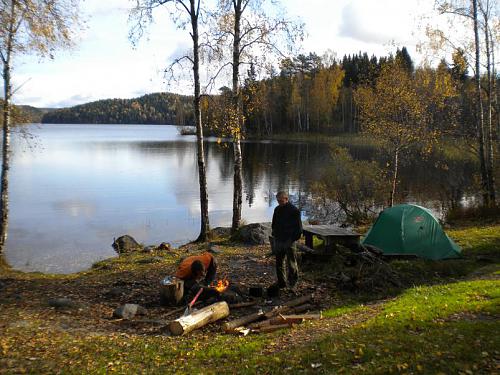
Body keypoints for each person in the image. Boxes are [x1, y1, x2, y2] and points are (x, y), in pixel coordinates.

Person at [271, 191, 302, 291]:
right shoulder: (277, 209)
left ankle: (293, 284)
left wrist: (291, 240)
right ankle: (282, 283)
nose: (279, 202)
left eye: (281, 201)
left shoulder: (294, 211)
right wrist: (275, 235)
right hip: (279, 239)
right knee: (279, 263)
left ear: (286, 199)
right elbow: (274, 223)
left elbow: (299, 230)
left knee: (291, 263)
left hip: (290, 240)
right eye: (278, 201)